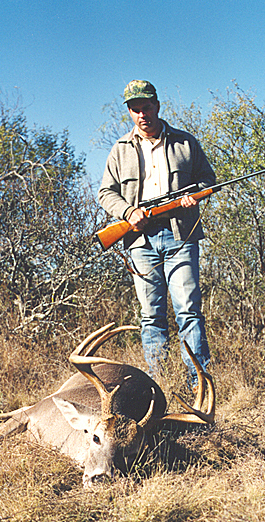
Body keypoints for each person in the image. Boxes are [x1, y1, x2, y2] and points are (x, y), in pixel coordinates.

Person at [98, 80, 216, 391]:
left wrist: (196, 195)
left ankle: (198, 385)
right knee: (151, 316)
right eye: (135, 109)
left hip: (181, 235)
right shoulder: (120, 149)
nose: (141, 114)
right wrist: (127, 212)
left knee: (188, 310)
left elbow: (207, 180)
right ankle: (159, 387)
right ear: (129, 112)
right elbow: (105, 193)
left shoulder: (184, 142)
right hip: (141, 241)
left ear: (157, 106)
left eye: (146, 108)